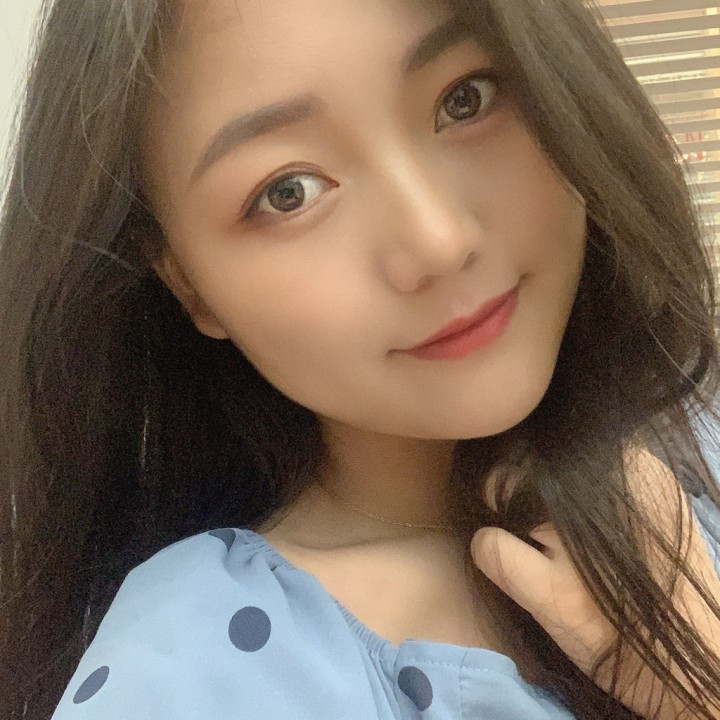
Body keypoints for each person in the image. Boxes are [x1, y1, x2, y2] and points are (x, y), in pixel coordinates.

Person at [1, 0, 719, 718]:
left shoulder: (692, 434)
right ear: (187, 282)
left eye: (465, 99)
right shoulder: (197, 673)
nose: (438, 240)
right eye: (288, 192)